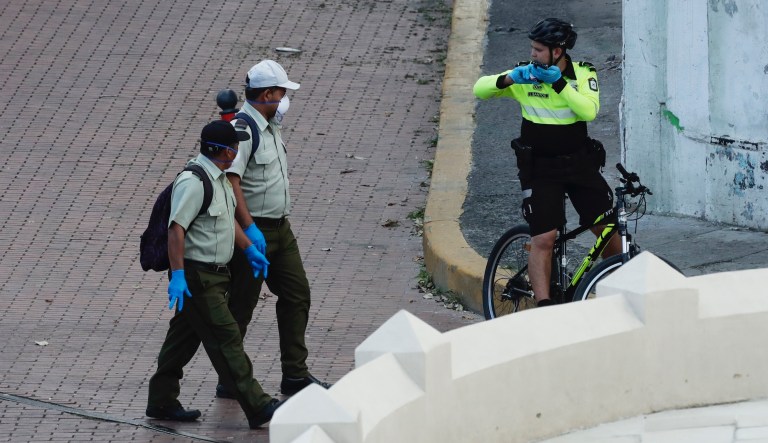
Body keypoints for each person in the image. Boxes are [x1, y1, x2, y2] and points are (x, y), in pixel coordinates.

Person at [473, 18, 620, 307]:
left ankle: (626, 280)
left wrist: (560, 84)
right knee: (545, 237)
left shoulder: (583, 73)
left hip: (579, 165)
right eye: (532, 48)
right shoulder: (525, 76)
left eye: (539, 50)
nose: (533, 54)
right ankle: (544, 308)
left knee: (605, 227)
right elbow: (480, 89)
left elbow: (588, 111)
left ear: (558, 52)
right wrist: (510, 78)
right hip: (540, 169)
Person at [146, 120, 281, 429]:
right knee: (226, 337)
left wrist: (248, 248)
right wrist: (178, 275)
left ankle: (161, 400)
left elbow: (224, 221)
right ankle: (258, 405)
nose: (237, 150)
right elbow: (176, 230)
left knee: (183, 338)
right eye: (234, 146)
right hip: (197, 276)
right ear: (222, 151)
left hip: (214, 275)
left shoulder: (218, 179)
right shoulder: (194, 182)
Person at [216, 59, 331, 399]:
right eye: (281, 93)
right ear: (267, 93)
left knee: (297, 295)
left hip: (281, 229)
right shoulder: (243, 130)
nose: (284, 99)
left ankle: (294, 374)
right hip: (252, 231)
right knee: (241, 307)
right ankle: (230, 378)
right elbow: (231, 181)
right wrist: (249, 230)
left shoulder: (270, 126)